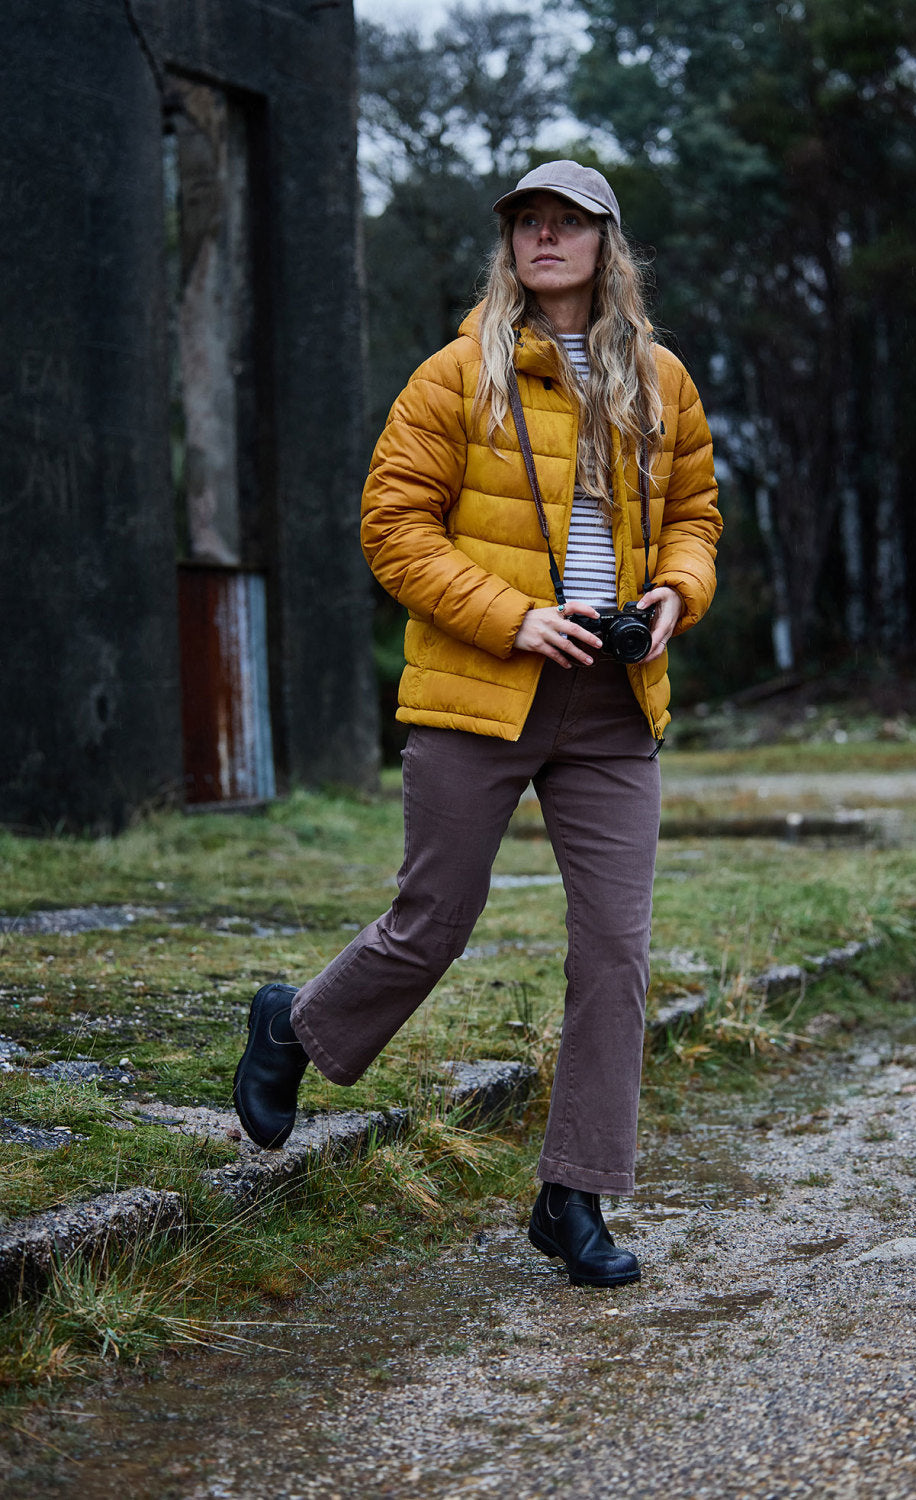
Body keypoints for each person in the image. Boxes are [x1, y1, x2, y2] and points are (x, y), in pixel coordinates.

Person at [233, 161, 721, 1287]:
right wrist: (514, 619)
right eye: (526, 223)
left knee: (616, 950)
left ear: (605, 245)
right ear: (509, 246)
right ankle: (293, 1027)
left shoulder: (661, 382)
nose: (544, 237)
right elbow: (393, 528)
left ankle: (573, 1194)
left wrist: (674, 594)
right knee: (434, 922)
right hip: (480, 688)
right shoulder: (456, 375)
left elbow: (695, 515)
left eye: (567, 223)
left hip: (614, 701)